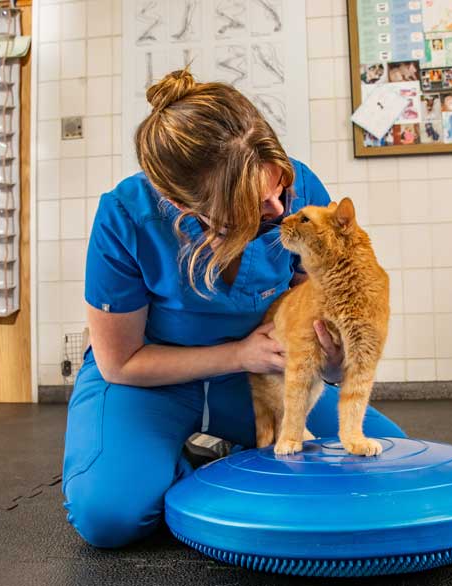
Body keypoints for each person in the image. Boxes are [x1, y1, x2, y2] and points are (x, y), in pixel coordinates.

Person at [61, 69, 406, 549]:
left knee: (383, 468)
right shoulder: (125, 216)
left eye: (279, 188)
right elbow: (120, 361)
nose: (278, 209)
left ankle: (227, 450)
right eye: (251, 205)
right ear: (186, 206)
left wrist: (331, 362)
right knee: (109, 516)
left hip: (263, 378)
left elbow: (317, 318)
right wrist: (240, 354)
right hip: (148, 379)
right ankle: (180, 459)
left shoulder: (300, 196)